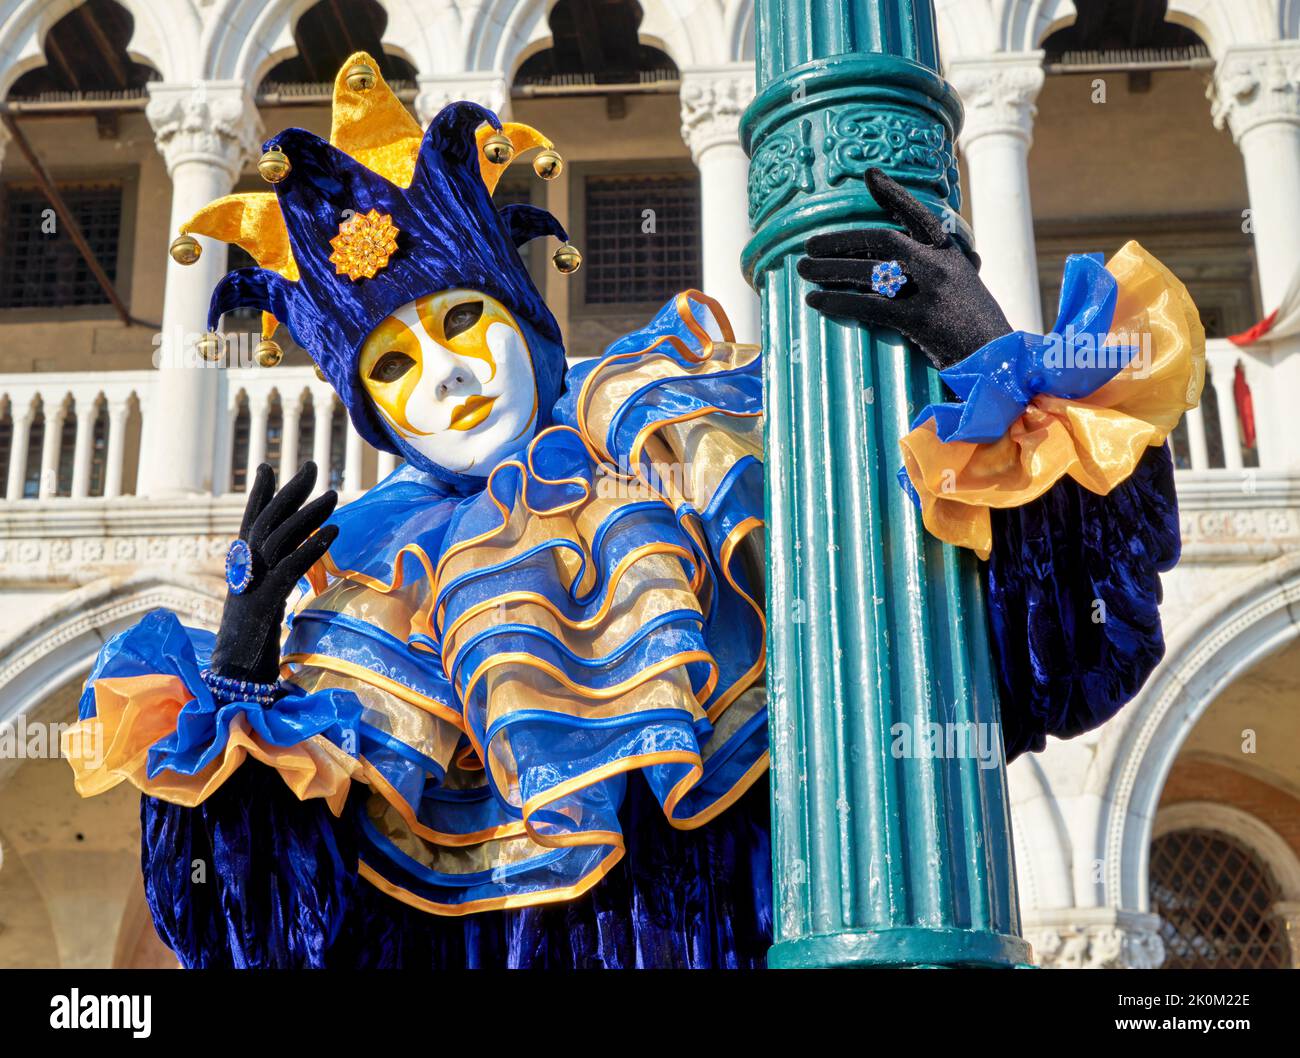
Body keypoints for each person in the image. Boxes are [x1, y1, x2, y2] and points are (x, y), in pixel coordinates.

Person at [63, 54, 1203, 968]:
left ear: (523, 317)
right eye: (394, 368)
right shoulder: (370, 601)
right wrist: (250, 666)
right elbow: (263, 933)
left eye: (461, 324)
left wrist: (983, 356)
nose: (447, 379)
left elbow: (1046, 652)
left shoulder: (695, 446)